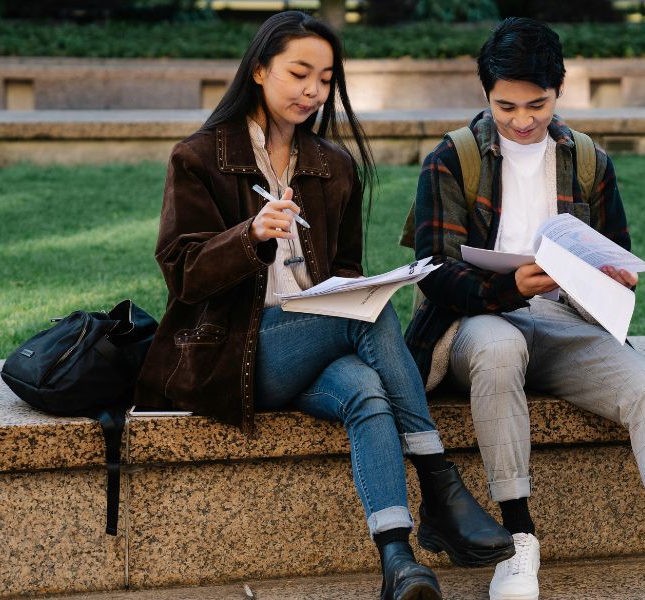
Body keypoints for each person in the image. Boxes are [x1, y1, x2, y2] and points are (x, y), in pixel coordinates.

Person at [134, 12, 514, 600]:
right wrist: (251, 236)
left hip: (312, 348)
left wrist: (357, 291)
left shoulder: (333, 167)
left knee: (364, 386)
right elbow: (182, 273)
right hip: (234, 356)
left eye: (325, 78)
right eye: (298, 73)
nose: (312, 90)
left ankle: (398, 560)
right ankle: (438, 480)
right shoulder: (200, 158)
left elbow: (347, 277)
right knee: (372, 313)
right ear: (259, 70)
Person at [406, 17, 645, 600]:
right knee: (501, 347)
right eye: (506, 107)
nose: (522, 120)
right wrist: (509, 290)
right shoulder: (452, 159)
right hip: (476, 325)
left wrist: (612, 280)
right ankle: (517, 539)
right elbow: (433, 273)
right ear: (486, 94)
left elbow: (613, 255)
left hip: (563, 321)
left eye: (537, 104)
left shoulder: (588, 160)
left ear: (558, 91)